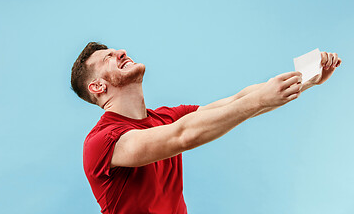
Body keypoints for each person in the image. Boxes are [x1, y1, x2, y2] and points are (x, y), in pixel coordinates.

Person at [70, 42, 342, 214]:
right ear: (97, 87)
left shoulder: (165, 116)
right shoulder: (102, 141)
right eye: (107, 58)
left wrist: (307, 79)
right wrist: (260, 98)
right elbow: (182, 136)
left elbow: (235, 102)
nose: (122, 52)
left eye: (115, 50)